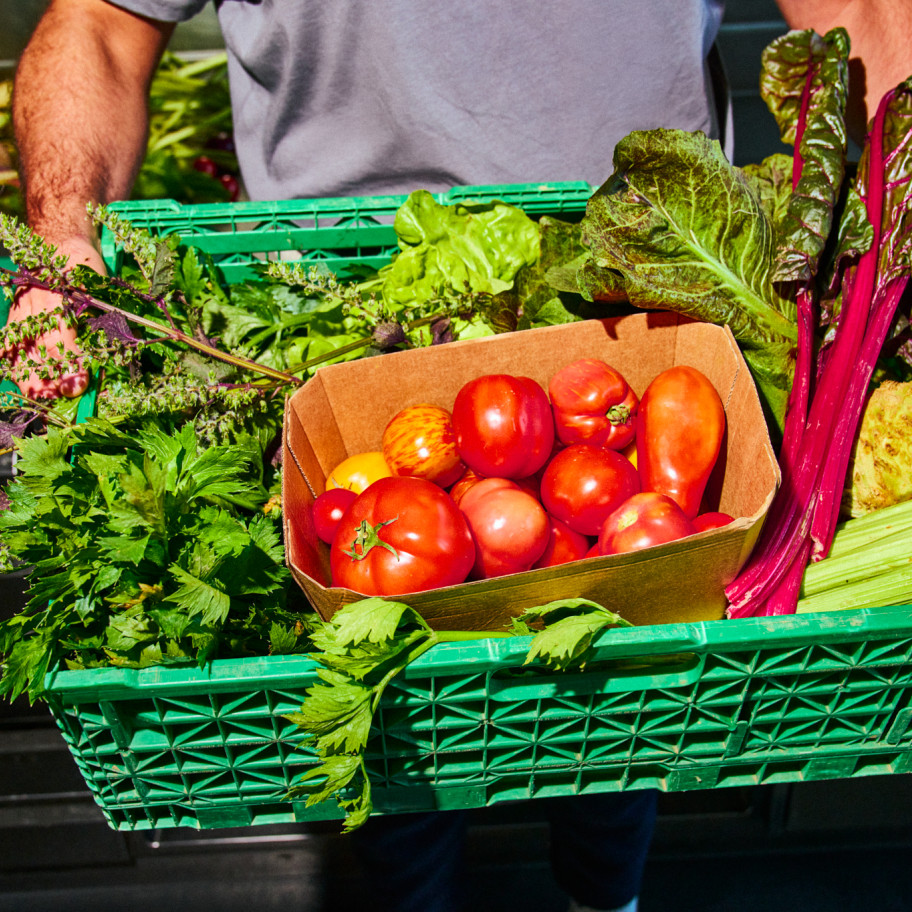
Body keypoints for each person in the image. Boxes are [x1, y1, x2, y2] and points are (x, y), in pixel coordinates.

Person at [4, 3, 911, 911]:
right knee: (388, 733)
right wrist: (62, 246)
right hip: (342, 293)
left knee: (626, 709)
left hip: (643, 278)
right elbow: (99, 25)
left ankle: (604, 898)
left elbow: (860, 12)